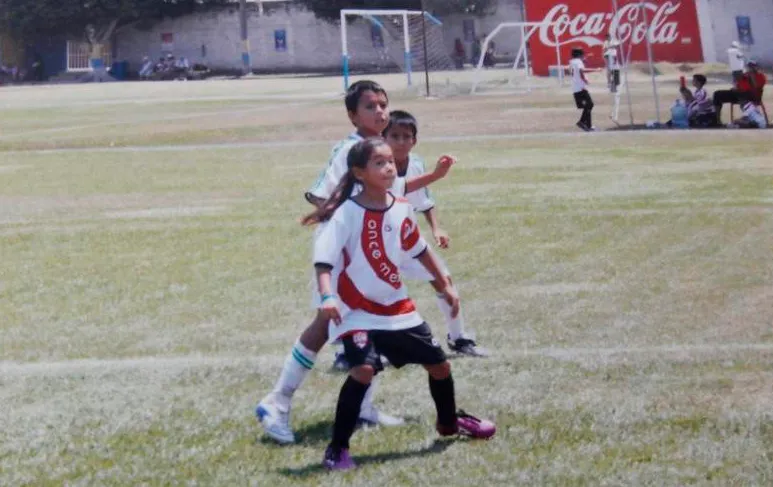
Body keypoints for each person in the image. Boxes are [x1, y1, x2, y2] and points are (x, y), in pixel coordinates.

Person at [256, 80, 459, 444]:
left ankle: (362, 407)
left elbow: (396, 193)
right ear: (353, 115)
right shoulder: (349, 150)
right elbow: (320, 196)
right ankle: (277, 401)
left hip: (382, 243)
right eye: (370, 106)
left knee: (377, 320)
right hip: (348, 253)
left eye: (383, 104)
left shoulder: (382, 151)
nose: (380, 111)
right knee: (324, 323)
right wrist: (341, 237)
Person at [303, 137, 496, 471]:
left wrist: (445, 284)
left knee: (440, 367)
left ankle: (449, 423)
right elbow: (325, 261)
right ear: (359, 172)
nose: (389, 167)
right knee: (363, 370)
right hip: (356, 310)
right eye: (379, 163)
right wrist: (327, 295)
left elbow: (418, 248)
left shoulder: (401, 205)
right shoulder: (347, 212)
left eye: (390, 161)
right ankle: (337, 448)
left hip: (397, 309)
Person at [382, 109, 487, 357]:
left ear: (414, 140)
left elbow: (424, 200)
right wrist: (437, 175)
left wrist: (436, 228)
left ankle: (458, 338)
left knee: (444, 281)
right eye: (394, 136)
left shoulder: (415, 163)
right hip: (379, 239)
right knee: (370, 293)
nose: (400, 142)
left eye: (406, 136)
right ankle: (352, 348)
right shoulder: (377, 163)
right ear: (383, 138)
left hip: (407, 239)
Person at [713, 60, 767, 125]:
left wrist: (752, 76)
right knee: (717, 94)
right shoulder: (744, 76)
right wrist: (735, 83)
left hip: (753, 96)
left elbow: (756, 87)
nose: (751, 68)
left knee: (743, 95)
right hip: (738, 94)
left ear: (757, 67)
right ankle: (717, 120)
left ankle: (750, 118)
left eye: (753, 66)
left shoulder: (761, 76)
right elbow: (737, 86)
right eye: (749, 66)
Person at [568, 47, 602, 131]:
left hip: (575, 87)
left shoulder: (572, 62)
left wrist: (585, 59)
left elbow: (576, 69)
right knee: (590, 104)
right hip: (580, 87)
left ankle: (588, 126)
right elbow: (581, 71)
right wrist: (586, 79)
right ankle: (582, 122)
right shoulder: (579, 62)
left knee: (588, 105)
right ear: (579, 54)